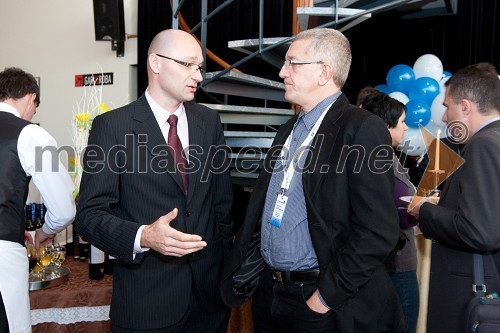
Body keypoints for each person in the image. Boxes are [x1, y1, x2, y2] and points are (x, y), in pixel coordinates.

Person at [221, 28, 405, 333]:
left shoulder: (361, 129)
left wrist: (323, 298)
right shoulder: (289, 129)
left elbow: (378, 230)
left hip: (321, 299)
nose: (282, 72)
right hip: (271, 293)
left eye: (293, 62)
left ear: (324, 72)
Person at [75, 29, 233, 333]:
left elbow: (221, 206)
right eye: (188, 64)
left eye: (200, 67)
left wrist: (223, 275)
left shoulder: (208, 122)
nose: (198, 76)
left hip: (209, 303)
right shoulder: (113, 127)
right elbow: (88, 216)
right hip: (147, 305)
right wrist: (144, 236)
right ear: (155, 63)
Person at [409, 62, 500, 333]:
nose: (445, 117)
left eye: (447, 107)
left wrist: (423, 210)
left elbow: (480, 231)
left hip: (470, 288)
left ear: (465, 106)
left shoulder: (483, 145)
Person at [0, 67, 76, 333]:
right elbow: (64, 208)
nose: (33, 115)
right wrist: (45, 231)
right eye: (35, 108)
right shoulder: (30, 134)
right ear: (31, 98)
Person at [361, 92, 419, 333]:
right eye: (403, 121)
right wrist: (422, 206)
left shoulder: (375, 156)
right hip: (396, 263)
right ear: (386, 124)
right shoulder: (381, 159)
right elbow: (402, 215)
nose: (406, 128)